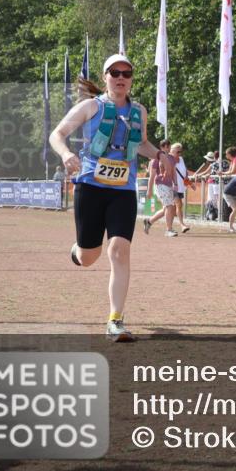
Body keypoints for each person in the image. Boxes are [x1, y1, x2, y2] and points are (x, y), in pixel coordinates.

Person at [49, 53, 173, 342]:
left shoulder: (138, 111)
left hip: (123, 191)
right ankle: (78, 250)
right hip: (90, 186)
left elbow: (140, 143)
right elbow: (58, 134)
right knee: (89, 256)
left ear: (131, 79)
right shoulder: (91, 106)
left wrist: (160, 155)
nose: (120, 78)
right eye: (114, 72)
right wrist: (66, 154)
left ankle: (115, 320)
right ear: (105, 77)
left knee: (119, 250)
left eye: (126, 73)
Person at [144, 139, 179, 237]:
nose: (167, 148)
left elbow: (173, 172)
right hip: (160, 184)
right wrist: (149, 189)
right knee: (169, 206)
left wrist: (175, 183)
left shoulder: (172, 158)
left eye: (169, 146)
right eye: (166, 146)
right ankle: (168, 229)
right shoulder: (156, 159)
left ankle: (149, 222)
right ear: (161, 147)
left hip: (169, 185)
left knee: (166, 209)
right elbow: (152, 175)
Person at [170, 142, 192, 233]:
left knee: (174, 207)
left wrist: (189, 183)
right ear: (172, 151)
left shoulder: (181, 159)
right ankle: (182, 225)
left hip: (181, 186)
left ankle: (150, 221)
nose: (179, 154)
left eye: (180, 151)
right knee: (178, 204)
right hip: (172, 186)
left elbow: (185, 172)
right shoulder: (169, 159)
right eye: (178, 152)